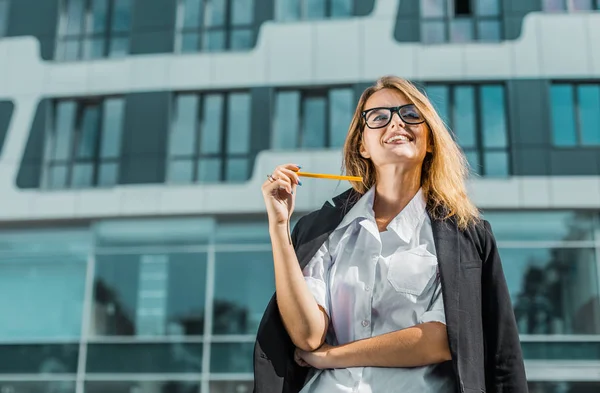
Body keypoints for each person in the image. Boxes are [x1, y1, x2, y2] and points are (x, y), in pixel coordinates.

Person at [254, 75, 527, 393]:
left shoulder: (464, 235)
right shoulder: (323, 230)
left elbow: (441, 337)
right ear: (362, 145)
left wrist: (332, 357)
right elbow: (307, 335)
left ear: (429, 140)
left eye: (411, 115)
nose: (396, 123)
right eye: (379, 117)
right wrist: (278, 227)